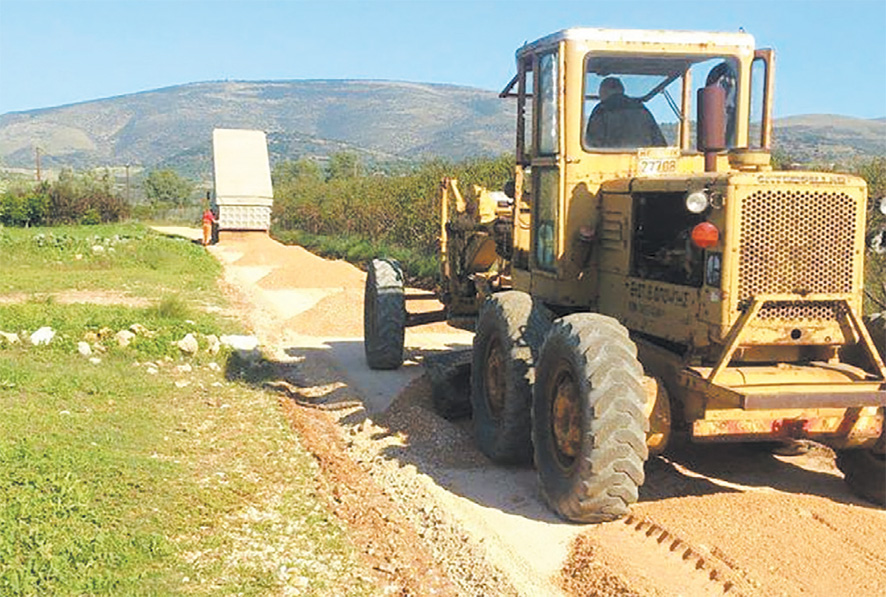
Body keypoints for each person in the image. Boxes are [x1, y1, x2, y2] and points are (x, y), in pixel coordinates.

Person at [586, 77, 667, 148]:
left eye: (600, 92)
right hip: (641, 160)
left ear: (604, 91)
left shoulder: (601, 110)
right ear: (622, 90)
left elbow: (593, 143)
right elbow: (659, 143)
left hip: (609, 161)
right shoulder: (641, 109)